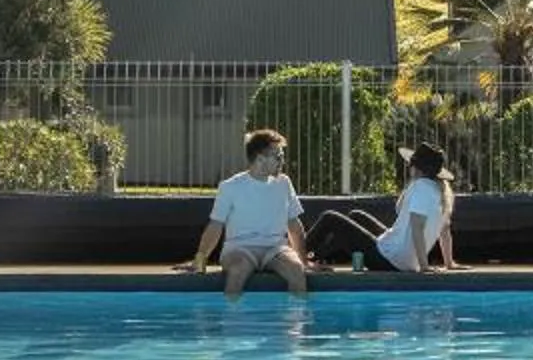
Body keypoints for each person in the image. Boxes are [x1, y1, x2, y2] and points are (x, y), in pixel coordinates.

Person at [192, 127, 309, 299]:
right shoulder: (230, 187)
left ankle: (297, 316)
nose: (282, 161)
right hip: (239, 248)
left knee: (297, 271)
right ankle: (232, 315)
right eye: (278, 157)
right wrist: (200, 260)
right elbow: (215, 226)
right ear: (260, 159)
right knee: (237, 272)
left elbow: (294, 224)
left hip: (275, 249)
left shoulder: (284, 183)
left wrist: (304, 261)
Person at [315, 143, 460, 274]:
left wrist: (424, 267)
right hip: (400, 256)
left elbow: (417, 227)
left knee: (330, 218)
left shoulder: (421, 187)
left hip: (390, 260)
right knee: (355, 216)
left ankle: (306, 258)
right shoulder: (441, 193)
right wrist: (449, 263)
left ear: (416, 168)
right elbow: (445, 231)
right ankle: (318, 257)